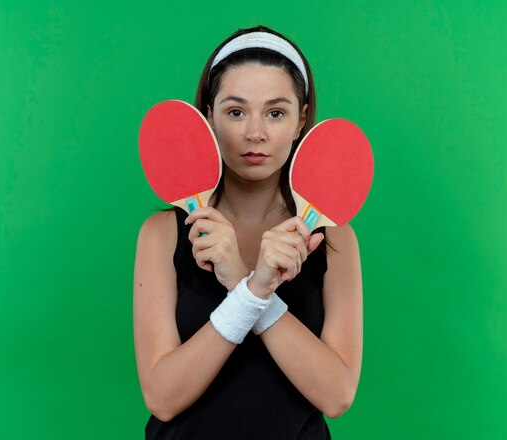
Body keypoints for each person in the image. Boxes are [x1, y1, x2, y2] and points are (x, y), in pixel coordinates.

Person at [133, 25, 363, 439]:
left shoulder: (333, 237)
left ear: (300, 121)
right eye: (236, 111)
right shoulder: (162, 233)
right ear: (209, 117)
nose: (254, 133)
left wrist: (248, 284)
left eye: (275, 112)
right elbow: (162, 397)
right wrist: (252, 290)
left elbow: (337, 394)